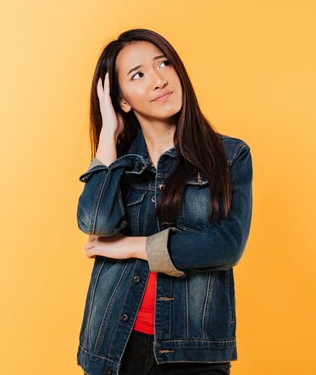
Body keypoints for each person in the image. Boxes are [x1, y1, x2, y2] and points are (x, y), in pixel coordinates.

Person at [76, 28, 253, 375]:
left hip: (191, 351)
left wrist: (131, 246)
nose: (158, 80)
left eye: (164, 64)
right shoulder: (120, 164)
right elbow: (95, 222)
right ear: (122, 99)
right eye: (138, 75)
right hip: (113, 345)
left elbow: (226, 245)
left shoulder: (229, 156)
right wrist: (108, 135)